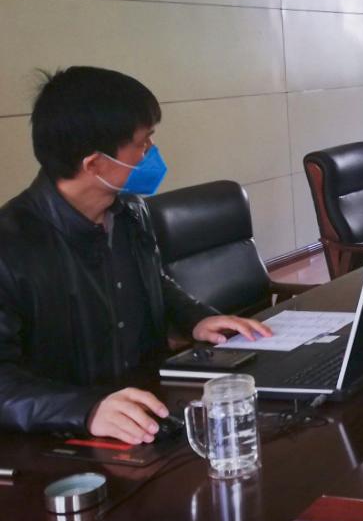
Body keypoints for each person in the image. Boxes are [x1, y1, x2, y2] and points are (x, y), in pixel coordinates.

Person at [0, 67, 272, 445]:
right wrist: (86, 409)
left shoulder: (130, 211)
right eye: (143, 143)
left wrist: (194, 318)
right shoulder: (11, 246)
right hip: (64, 438)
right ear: (94, 164)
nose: (151, 153)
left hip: (151, 414)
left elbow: (151, 278)